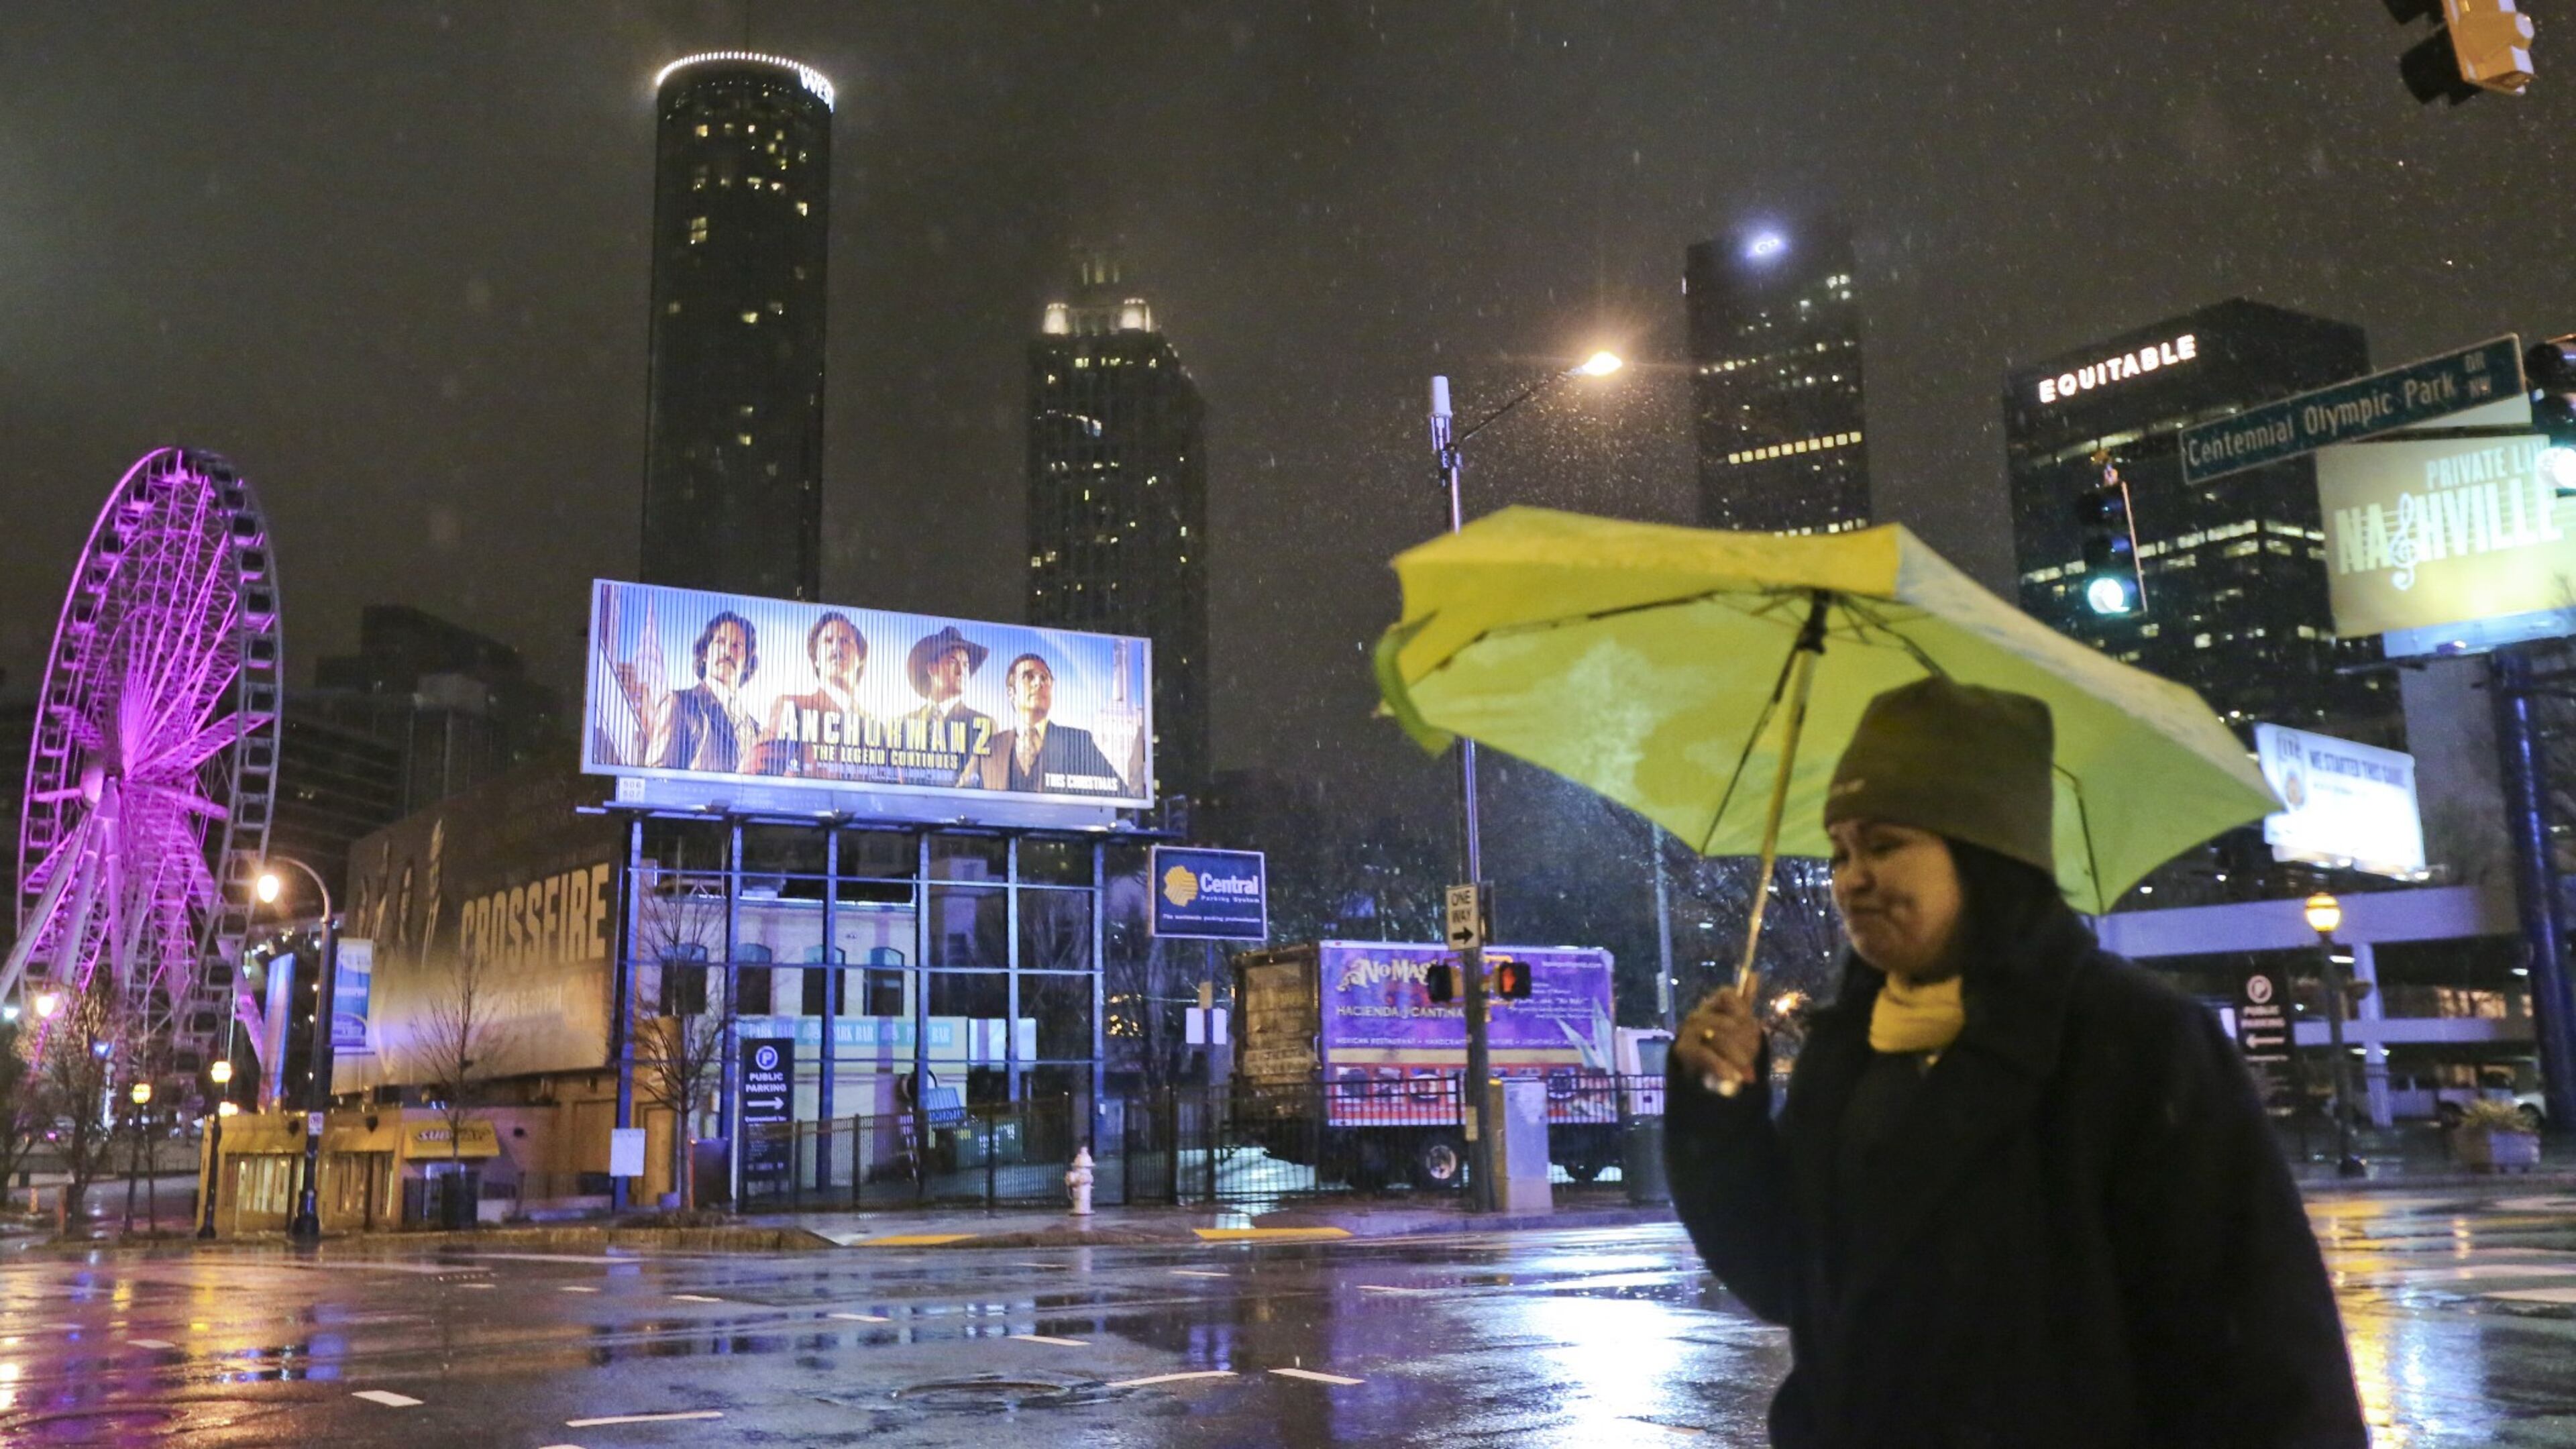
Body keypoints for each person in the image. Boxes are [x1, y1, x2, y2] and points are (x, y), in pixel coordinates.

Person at [1666, 676, 2365, 1449]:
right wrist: (1718, 1108)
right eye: (1840, 849)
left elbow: (2264, 1359)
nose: (1851, 878)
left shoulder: (2135, 1041)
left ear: (1986, 852)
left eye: (1886, 844)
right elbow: (1783, 1276)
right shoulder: (1850, 1046)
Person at [961, 651, 1123, 794]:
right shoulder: (989, 748)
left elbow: (1122, 798)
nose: (1039, 683)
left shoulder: (1079, 742)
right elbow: (958, 800)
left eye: (1045, 678)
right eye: (1029, 676)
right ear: (1011, 692)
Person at [755, 610, 877, 778]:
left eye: (845, 641)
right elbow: (752, 772)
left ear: (860, 658)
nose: (836, 648)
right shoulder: (792, 707)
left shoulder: (876, 728)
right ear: (816, 659)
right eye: (828, 641)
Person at [649, 610, 761, 774]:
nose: (727, 652)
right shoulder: (679, 704)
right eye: (720, 642)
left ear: (746, 664)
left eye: (737, 646)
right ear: (704, 654)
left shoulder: (756, 730)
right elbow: (657, 779)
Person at [896, 625, 994, 785]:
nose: (961, 671)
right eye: (953, 661)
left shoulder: (983, 725)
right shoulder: (903, 724)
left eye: (966, 665)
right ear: (932, 668)